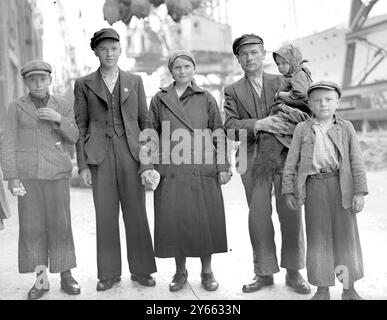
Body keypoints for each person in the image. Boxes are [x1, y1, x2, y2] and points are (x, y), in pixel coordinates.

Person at [223, 34, 310, 294]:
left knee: (291, 212)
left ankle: (294, 273)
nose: (250, 58)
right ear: (238, 59)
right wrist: (259, 124)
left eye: (255, 53)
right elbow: (229, 127)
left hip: (285, 157)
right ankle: (263, 273)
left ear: (263, 55)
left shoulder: (285, 80)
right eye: (244, 54)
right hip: (251, 161)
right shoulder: (232, 90)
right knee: (259, 216)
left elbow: (306, 109)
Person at [73, 28, 157, 291]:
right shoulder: (84, 84)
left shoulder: (135, 80)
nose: (109, 53)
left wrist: (147, 164)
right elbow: (81, 126)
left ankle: (142, 270)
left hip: (131, 155)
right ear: (96, 52)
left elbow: (145, 125)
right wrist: (84, 165)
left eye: (113, 48)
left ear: (120, 50)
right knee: (105, 216)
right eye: (103, 49)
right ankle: (108, 273)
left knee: (137, 213)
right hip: (100, 157)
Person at [141, 50, 231, 292]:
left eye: (187, 66)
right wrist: (147, 166)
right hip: (171, 169)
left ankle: (207, 271)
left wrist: (223, 166)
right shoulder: (159, 99)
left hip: (203, 168)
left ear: (194, 69)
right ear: (171, 71)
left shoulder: (206, 98)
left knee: (205, 221)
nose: (182, 71)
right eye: (177, 67)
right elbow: (149, 134)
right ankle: (180, 272)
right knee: (175, 221)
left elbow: (218, 133)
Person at [1, 60, 81, 299]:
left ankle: (66, 275)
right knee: (32, 228)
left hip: (57, 173)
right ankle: (41, 279)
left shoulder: (63, 105)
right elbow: (8, 144)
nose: (38, 83)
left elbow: (75, 136)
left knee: (61, 224)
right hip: (28, 177)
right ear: (25, 82)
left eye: (43, 79)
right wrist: (12, 177)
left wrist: (58, 119)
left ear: (50, 81)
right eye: (33, 80)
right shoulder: (16, 107)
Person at [282, 81, 368, 300]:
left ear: (337, 102)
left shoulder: (346, 127)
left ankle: (348, 288)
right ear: (309, 103)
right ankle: (322, 288)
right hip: (314, 188)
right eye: (318, 100)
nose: (323, 104)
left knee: (346, 238)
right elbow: (291, 162)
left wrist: (359, 192)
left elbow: (356, 161)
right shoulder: (303, 129)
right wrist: (289, 191)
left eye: (329, 99)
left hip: (342, 187)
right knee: (318, 238)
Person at [252, 43, 312, 184]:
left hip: (295, 112)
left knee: (271, 134)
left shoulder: (299, 73)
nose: (280, 67)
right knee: (269, 134)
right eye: (278, 64)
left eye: (284, 63)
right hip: (289, 111)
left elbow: (301, 93)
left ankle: (263, 173)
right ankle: (266, 172)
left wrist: (281, 95)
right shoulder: (291, 74)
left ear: (293, 61)